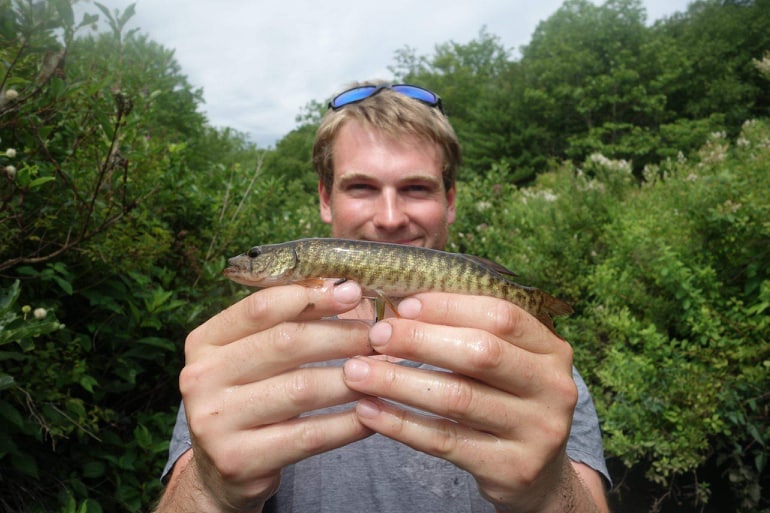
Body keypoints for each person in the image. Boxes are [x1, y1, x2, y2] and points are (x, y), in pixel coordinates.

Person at [153, 81, 611, 513]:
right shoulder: (241, 359)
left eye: (416, 187)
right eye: (361, 187)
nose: (390, 218)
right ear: (325, 199)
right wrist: (212, 489)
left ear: (450, 199)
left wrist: (548, 492)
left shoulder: (529, 361)